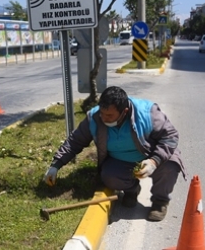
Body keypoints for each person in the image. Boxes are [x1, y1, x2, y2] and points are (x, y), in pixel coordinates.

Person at [43, 86, 186, 222]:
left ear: (124, 111)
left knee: (170, 167)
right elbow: (75, 141)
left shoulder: (147, 112)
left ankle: (160, 202)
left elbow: (170, 136)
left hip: (151, 154)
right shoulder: (94, 117)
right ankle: (131, 190)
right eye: (102, 113)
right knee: (109, 176)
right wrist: (56, 165)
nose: (104, 118)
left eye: (110, 115)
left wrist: (154, 161)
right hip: (121, 161)